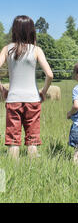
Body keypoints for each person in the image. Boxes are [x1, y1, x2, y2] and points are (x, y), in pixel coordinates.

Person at [0, 15, 53, 160]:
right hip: (33, 99)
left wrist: (2, 90)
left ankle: (13, 168)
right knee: (33, 138)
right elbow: (50, 74)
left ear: (14, 30)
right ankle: (33, 169)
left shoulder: (7, 49)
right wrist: (43, 92)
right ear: (31, 31)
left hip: (13, 99)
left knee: (13, 139)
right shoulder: (36, 50)